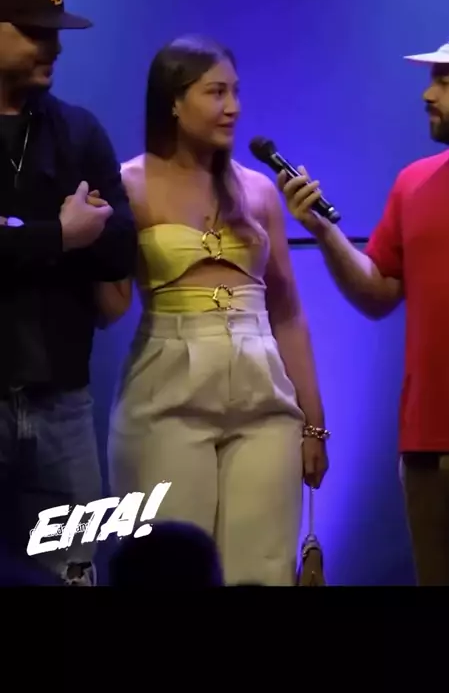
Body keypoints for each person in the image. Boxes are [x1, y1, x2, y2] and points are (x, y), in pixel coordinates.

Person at [97, 34, 329, 586]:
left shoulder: (259, 191)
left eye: (236, 92)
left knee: (264, 568)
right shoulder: (129, 184)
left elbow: (288, 312)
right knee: (170, 570)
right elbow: (110, 307)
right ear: (174, 102)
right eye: (216, 92)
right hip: (167, 392)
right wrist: (76, 242)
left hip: (263, 394)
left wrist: (315, 424)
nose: (234, 107)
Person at [278, 23, 449, 586]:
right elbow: (377, 294)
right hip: (426, 448)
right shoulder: (414, 184)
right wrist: (323, 232)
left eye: (447, 80)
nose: (428, 93)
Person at [0, 0, 137, 585]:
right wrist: (60, 235)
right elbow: (82, 238)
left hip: (63, 404)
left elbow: (120, 249)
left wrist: (22, 236)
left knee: (73, 573)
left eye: (55, 32)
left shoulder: (78, 131)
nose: (53, 47)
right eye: (35, 31)